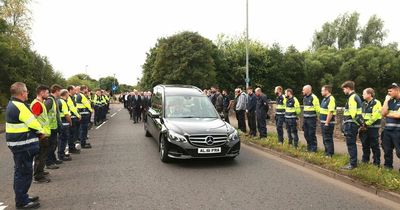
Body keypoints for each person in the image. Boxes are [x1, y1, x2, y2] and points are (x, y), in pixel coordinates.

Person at [6, 82, 44, 209]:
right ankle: (22, 202)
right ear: (22, 93)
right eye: (26, 91)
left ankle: (23, 196)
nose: (28, 93)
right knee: (23, 173)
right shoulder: (20, 106)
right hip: (23, 146)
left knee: (21, 172)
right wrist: (42, 132)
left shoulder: (13, 104)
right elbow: (34, 123)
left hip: (18, 145)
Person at [30, 85, 51, 183]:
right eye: (47, 92)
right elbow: (33, 120)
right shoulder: (37, 104)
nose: (48, 94)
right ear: (41, 93)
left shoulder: (40, 103)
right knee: (40, 156)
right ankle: (38, 176)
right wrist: (39, 133)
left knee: (42, 155)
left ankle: (40, 171)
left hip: (43, 134)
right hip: (40, 135)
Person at [341, 81, 364, 170]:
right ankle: (353, 161)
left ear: (348, 88)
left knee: (351, 144)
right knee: (352, 144)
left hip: (351, 124)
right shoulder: (355, 96)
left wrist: (346, 122)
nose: (343, 91)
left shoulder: (352, 97)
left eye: (344, 89)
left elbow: (353, 113)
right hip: (352, 124)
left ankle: (352, 164)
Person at [359, 88, 382, 166]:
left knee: (374, 146)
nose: (362, 95)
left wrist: (366, 124)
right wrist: (361, 123)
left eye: (364, 93)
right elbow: (360, 115)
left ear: (369, 94)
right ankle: (365, 160)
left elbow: (375, 116)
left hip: (373, 128)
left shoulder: (376, 103)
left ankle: (376, 163)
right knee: (365, 145)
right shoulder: (363, 104)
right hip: (364, 128)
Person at [381, 83, 400, 170]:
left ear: (397, 90)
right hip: (388, 130)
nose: (388, 93)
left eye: (390, 91)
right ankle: (388, 167)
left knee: (399, 152)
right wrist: (386, 101)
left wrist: (388, 114)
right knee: (387, 150)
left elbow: (398, 115)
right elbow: (383, 113)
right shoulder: (390, 101)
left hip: (398, 130)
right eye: (388, 91)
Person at [45, 84, 62, 169]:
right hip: (50, 127)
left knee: (54, 144)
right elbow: (44, 112)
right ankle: (48, 163)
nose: (60, 93)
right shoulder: (50, 100)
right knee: (51, 146)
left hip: (53, 126)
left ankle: (53, 159)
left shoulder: (54, 99)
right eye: (60, 91)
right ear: (57, 91)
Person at [302, 85, 320, 152]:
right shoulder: (304, 98)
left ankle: (313, 149)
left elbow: (318, 110)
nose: (302, 91)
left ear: (308, 90)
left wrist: (317, 118)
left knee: (311, 134)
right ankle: (309, 147)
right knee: (306, 134)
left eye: (303, 90)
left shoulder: (314, 97)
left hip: (312, 119)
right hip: (305, 118)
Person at [320, 85, 336, 158]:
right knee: (324, 138)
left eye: (322, 90)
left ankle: (329, 154)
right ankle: (326, 153)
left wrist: (326, 123)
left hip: (328, 123)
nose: (321, 92)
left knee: (328, 138)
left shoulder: (331, 99)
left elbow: (331, 112)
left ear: (327, 91)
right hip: (323, 122)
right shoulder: (324, 99)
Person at [58, 89, 72, 161]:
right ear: (65, 94)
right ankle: (61, 155)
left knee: (61, 140)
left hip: (61, 123)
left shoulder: (59, 101)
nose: (68, 95)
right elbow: (66, 114)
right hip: (64, 123)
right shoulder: (63, 102)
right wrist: (70, 121)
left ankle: (61, 154)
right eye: (68, 93)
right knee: (63, 140)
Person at [67, 85, 81, 154]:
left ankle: (72, 147)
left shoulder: (72, 97)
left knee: (72, 134)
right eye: (74, 90)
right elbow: (72, 107)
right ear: (70, 90)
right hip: (71, 117)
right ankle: (71, 148)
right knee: (71, 134)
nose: (75, 91)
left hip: (73, 117)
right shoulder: (69, 98)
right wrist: (78, 115)